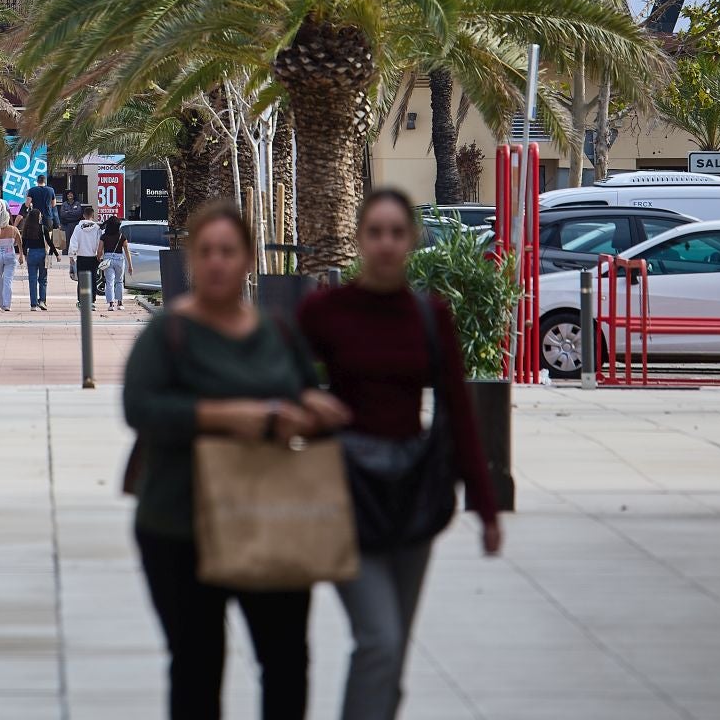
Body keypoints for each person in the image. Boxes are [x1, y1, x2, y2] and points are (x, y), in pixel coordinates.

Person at [123, 198, 350, 720]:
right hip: (181, 525)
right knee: (197, 665)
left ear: (248, 258)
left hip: (268, 516)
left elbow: (298, 394)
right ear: (191, 260)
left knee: (287, 661)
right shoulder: (169, 334)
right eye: (206, 251)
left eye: (228, 250)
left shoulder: (279, 332)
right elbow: (141, 408)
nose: (217, 262)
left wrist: (309, 409)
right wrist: (229, 415)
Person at [299, 188, 503, 720]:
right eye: (375, 233)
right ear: (360, 240)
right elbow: (280, 371)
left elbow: (459, 411)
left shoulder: (430, 315)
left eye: (396, 233)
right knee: (380, 641)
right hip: (347, 498)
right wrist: (308, 403)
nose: (386, 244)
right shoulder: (327, 311)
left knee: (392, 656)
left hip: (413, 496)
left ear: (411, 241)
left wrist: (484, 508)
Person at [0, 207, 22, 312]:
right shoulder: (14, 230)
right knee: (8, 280)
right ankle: (7, 304)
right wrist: (21, 255)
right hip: (10, 256)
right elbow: (20, 243)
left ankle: (1, 302)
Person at [66, 205, 103, 297]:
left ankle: (81, 300)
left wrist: (71, 255)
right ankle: (92, 300)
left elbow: (73, 241)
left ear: (83, 215)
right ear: (93, 215)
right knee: (93, 279)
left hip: (81, 257)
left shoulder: (78, 228)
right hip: (93, 257)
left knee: (82, 280)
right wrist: (100, 256)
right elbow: (99, 243)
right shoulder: (97, 228)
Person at [19, 205, 51, 309]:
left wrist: (23, 254)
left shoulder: (27, 228)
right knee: (43, 279)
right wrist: (56, 254)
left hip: (31, 254)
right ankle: (42, 301)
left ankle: (33, 304)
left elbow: (23, 244)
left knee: (32, 279)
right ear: (38, 217)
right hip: (42, 253)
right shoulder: (43, 228)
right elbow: (50, 242)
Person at [100, 210, 132, 311]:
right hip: (119, 259)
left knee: (109, 282)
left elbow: (99, 250)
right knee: (119, 281)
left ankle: (111, 304)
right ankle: (120, 303)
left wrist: (99, 259)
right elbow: (127, 251)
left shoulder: (104, 236)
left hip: (108, 258)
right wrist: (130, 265)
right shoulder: (122, 236)